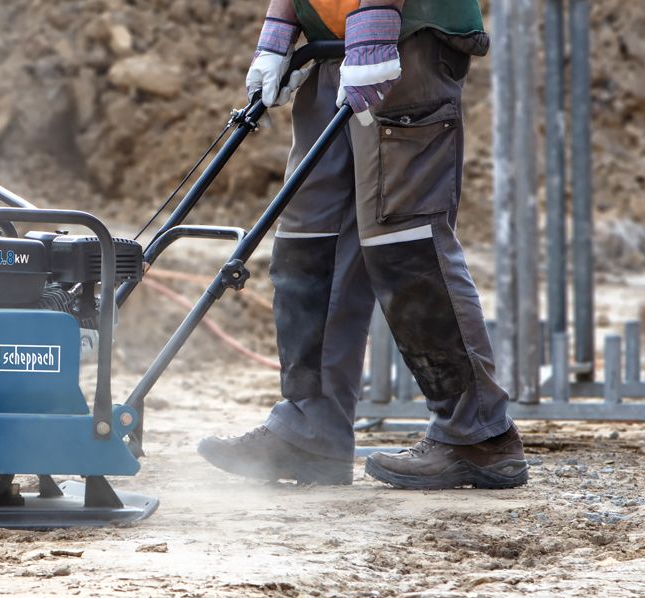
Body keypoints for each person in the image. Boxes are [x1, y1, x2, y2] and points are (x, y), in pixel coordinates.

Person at [196, 0, 528, 490]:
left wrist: (374, 22)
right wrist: (280, 28)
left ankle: (478, 436)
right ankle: (310, 430)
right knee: (310, 242)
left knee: (405, 241)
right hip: (333, 49)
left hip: (403, 40)